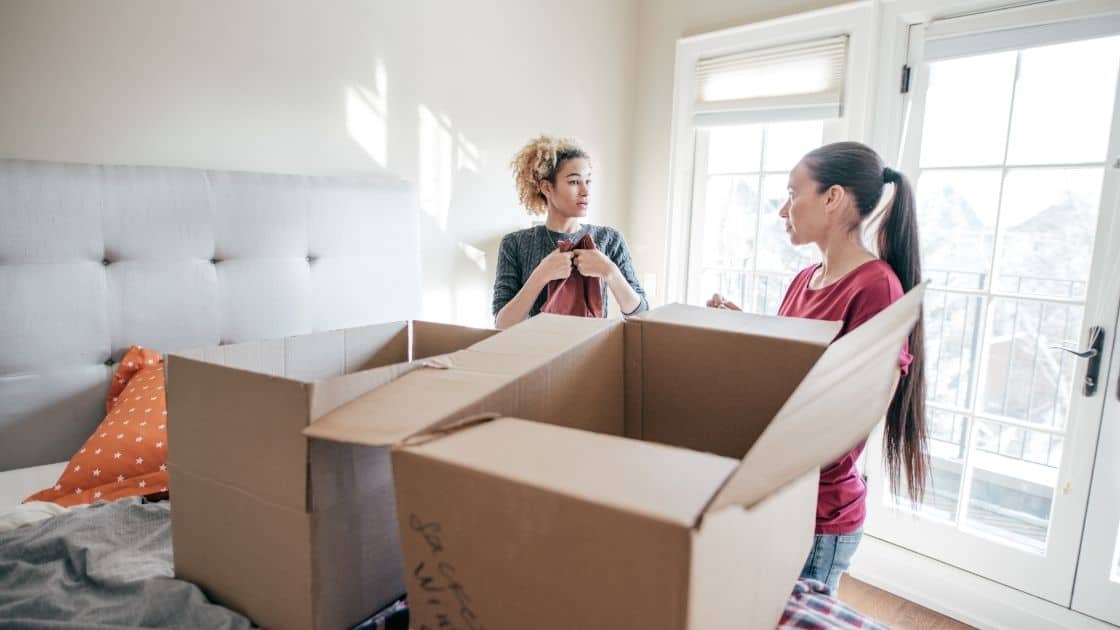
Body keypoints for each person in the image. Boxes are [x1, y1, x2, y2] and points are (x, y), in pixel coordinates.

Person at [708, 141, 928, 593]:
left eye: (793, 193)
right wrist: (745, 329)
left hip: (819, 511)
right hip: (780, 495)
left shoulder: (877, 287)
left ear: (832, 198)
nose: (782, 210)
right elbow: (791, 367)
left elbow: (856, 415)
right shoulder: (802, 280)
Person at [492, 135, 647, 329]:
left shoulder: (610, 239)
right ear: (547, 187)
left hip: (593, 353)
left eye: (588, 181)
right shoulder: (514, 243)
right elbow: (502, 324)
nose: (585, 191)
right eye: (574, 182)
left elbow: (642, 315)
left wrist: (609, 271)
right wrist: (540, 275)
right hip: (534, 354)